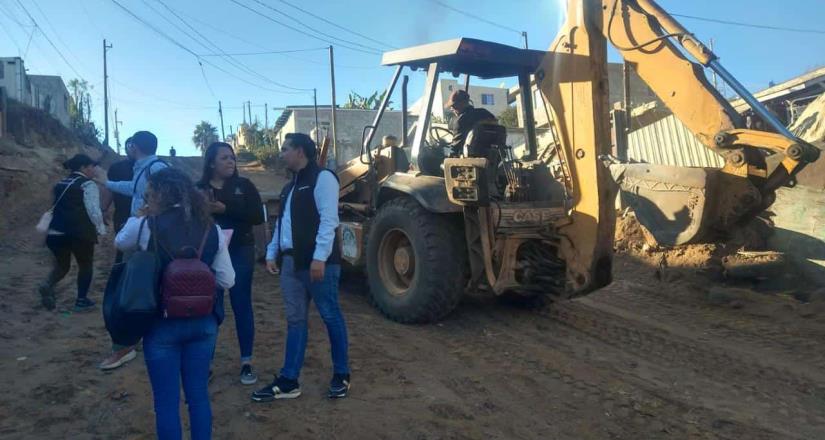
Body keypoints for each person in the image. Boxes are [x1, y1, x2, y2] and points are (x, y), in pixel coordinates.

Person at [115, 167, 234, 440]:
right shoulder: (211, 228)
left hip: (161, 324)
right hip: (204, 323)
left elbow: (120, 243)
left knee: (166, 404)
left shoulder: (145, 225)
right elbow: (228, 280)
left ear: (157, 195)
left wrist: (138, 216)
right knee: (199, 398)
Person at [252, 133, 350, 402]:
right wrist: (272, 253)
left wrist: (319, 257)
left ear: (299, 151)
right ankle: (289, 380)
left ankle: (341, 374)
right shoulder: (288, 188)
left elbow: (329, 220)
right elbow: (282, 225)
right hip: (291, 264)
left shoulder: (323, 179)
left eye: (285, 149)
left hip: (318, 264)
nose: (281, 153)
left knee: (330, 315)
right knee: (295, 320)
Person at [197, 142, 264, 385]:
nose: (230, 161)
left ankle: (246, 362)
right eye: (224, 157)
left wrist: (226, 208)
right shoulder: (199, 188)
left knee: (241, 304)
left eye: (232, 157)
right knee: (209, 307)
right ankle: (206, 363)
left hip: (240, 252)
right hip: (209, 255)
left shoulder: (244, 186)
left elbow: (257, 216)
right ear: (211, 162)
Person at [38, 154, 106, 311]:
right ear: (83, 167)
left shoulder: (60, 184)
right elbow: (93, 211)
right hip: (80, 232)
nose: (93, 170)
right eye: (91, 167)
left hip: (55, 232)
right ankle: (81, 300)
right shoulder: (88, 185)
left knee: (62, 265)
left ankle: (47, 284)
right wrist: (100, 229)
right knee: (85, 265)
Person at [98, 137, 139, 371]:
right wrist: (103, 209)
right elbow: (110, 190)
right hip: (124, 224)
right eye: (129, 146)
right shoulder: (118, 168)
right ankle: (127, 336)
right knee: (124, 272)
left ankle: (129, 337)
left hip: (142, 225)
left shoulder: (151, 167)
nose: (131, 149)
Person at [95, 130, 169, 216]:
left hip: (151, 224)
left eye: (130, 145)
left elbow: (164, 198)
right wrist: (107, 183)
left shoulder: (155, 167)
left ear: (134, 147)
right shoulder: (143, 166)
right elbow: (133, 188)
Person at [445, 89, 497, 157]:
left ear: (462, 104)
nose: (452, 109)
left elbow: (455, 148)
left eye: (454, 106)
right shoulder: (485, 113)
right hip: (493, 158)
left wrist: (443, 149)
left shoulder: (461, 120)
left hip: (469, 161)